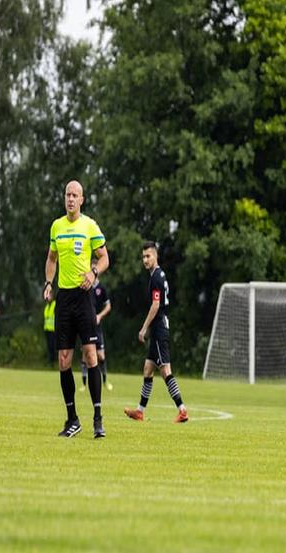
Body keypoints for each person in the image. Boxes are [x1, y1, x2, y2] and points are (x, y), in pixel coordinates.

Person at [43, 180, 110, 439]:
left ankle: (97, 418)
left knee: (91, 355)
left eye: (75, 195)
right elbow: (51, 258)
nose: (70, 199)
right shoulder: (56, 226)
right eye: (67, 194)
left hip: (84, 298)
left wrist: (93, 272)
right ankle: (72, 419)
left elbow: (105, 257)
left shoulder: (89, 226)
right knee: (63, 361)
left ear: (82, 200)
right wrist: (49, 283)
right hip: (64, 299)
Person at [124, 242, 188, 423]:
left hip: (159, 329)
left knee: (166, 370)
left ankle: (182, 409)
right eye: (143, 257)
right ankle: (140, 412)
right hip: (158, 328)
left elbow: (156, 305)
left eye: (148, 256)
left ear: (155, 256)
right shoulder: (158, 275)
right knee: (148, 369)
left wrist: (143, 328)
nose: (145, 260)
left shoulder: (156, 278)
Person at [81, 261, 113, 391]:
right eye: (91, 269)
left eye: (95, 269)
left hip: (97, 327)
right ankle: (83, 384)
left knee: (101, 356)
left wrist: (99, 316)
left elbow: (109, 306)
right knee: (85, 355)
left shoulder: (101, 288)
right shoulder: (85, 286)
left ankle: (105, 381)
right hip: (86, 325)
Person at [43, 289, 56, 367]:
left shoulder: (55, 305)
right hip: (47, 329)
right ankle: (50, 362)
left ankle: (53, 362)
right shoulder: (47, 306)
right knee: (49, 347)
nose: (48, 297)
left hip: (54, 330)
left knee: (53, 346)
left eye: (49, 295)